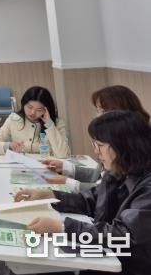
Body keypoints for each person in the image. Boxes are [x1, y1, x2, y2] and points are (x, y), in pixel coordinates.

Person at [14, 111, 151, 275]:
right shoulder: (119, 170)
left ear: (123, 146)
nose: (96, 152)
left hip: (131, 265)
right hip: (108, 256)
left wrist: (62, 227)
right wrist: (51, 195)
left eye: (100, 145)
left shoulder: (147, 186)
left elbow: (123, 235)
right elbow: (92, 201)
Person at [43, 85, 150, 191]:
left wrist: (71, 184)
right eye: (97, 110)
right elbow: (102, 176)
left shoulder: (134, 147)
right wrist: (66, 168)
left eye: (102, 111)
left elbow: (110, 192)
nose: (98, 116)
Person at [0, 86, 70, 157]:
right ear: (23, 104)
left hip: (46, 165)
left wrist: (49, 124)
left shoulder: (57, 123)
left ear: (47, 110)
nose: (32, 113)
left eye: (39, 110)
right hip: (20, 165)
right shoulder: (14, 119)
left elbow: (63, 154)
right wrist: (9, 146)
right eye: (29, 107)